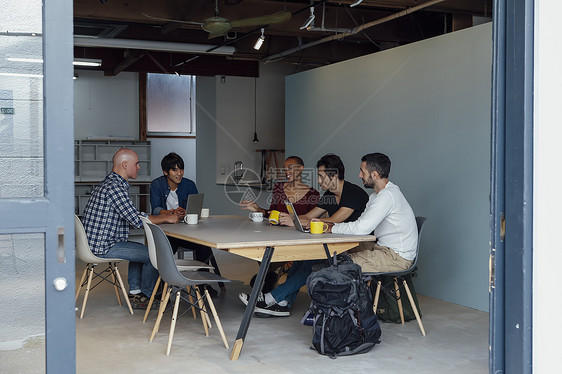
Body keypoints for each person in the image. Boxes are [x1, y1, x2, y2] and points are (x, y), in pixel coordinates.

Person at [238, 154, 369, 317]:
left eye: (321, 177)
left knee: (311, 261)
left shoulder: (353, 193)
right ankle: (283, 303)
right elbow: (309, 215)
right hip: (338, 243)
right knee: (302, 259)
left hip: (357, 246)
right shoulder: (329, 195)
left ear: (333, 175)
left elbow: (334, 221)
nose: (319, 181)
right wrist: (290, 219)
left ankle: (272, 298)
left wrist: (300, 221)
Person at [82, 148, 179, 309]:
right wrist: (166, 217)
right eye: (137, 163)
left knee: (139, 249)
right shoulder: (114, 188)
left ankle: (135, 293)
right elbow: (136, 220)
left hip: (97, 244)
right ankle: (147, 297)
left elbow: (133, 215)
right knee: (153, 254)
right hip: (104, 247)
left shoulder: (110, 183)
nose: (139, 167)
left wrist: (162, 216)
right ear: (125, 164)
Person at [326, 152, 418, 273]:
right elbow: (361, 225)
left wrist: (332, 228)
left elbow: (361, 229)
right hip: (382, 248)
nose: (359, 175)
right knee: (337, 252)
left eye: (362, 172)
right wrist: (333, 227)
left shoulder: (387, 196)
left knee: (339, 264)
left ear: (374, 175)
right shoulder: (376, 196)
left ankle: (353, 289)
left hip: (395, 257)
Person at [150, 152, 217, 296]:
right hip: (166, 232)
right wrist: (172, 212)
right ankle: (161, 289)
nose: (179, 173)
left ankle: (203, 285)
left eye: (181, 169)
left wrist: (185, 212)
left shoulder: (189, 185)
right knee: (165, 250)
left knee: (204, 246)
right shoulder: (157, 185)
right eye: (175, 170)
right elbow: (155, 209)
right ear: (165, 172)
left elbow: (195, 210)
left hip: (186, 232)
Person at [240, 156, 319, 216]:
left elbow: (311, 220)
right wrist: (258, 209)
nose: (287, 172)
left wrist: (292, 220)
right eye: (284, 169)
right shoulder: (278, 187)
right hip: (278, 233)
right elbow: (272, 213)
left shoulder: (313, 194)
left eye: (290, 168)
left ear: (301, 168)